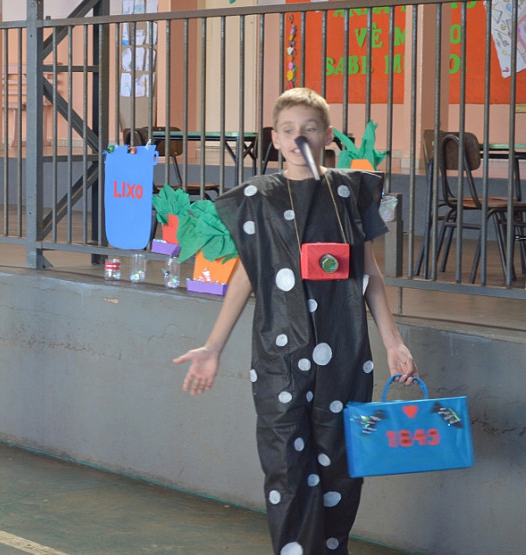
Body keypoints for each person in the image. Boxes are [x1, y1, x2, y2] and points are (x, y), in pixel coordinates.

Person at [173, 88, 418, 554]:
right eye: (288, 130)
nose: (298, 138)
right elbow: (245, 276)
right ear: (275, 138)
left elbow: (369, 274)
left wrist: (393, 342)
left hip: (344, 353)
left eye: (309, 129)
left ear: (327, 136)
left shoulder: (350, 190)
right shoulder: (256, 199)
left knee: (339, 467)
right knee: (285, 466)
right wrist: (212, 347)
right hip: (278, 357)